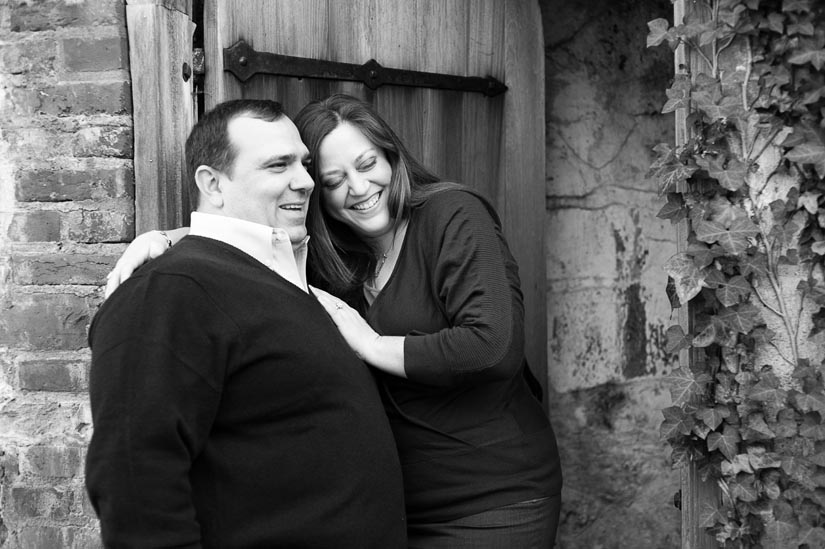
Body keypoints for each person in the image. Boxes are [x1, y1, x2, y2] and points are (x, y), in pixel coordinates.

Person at [106, 94, 562, 548]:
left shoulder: (450, 216)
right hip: (401, 508)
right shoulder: (326, 255)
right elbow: (247, 231)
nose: (359, 188)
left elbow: (492, 346)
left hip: (489, 499)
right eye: (334, 179)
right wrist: (169, 236)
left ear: (392, 156)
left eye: (367, 164)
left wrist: (372, 345)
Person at [86, 99, 407, 548]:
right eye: (279, 165)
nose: (307, 181)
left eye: (305, 163)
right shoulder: (170, 291)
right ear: (212, 184)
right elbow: (134, 479)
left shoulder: (277, 274)